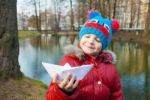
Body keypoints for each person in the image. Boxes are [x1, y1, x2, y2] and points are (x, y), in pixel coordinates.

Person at [46, 10, 123, 100]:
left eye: (97, 40)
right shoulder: (68, 62)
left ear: (103, 46)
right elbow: (51, 97)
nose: (90, 41)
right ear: (81, 37)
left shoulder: (111, 68)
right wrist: (64, 91)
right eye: (87, 36)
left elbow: (117, 95)